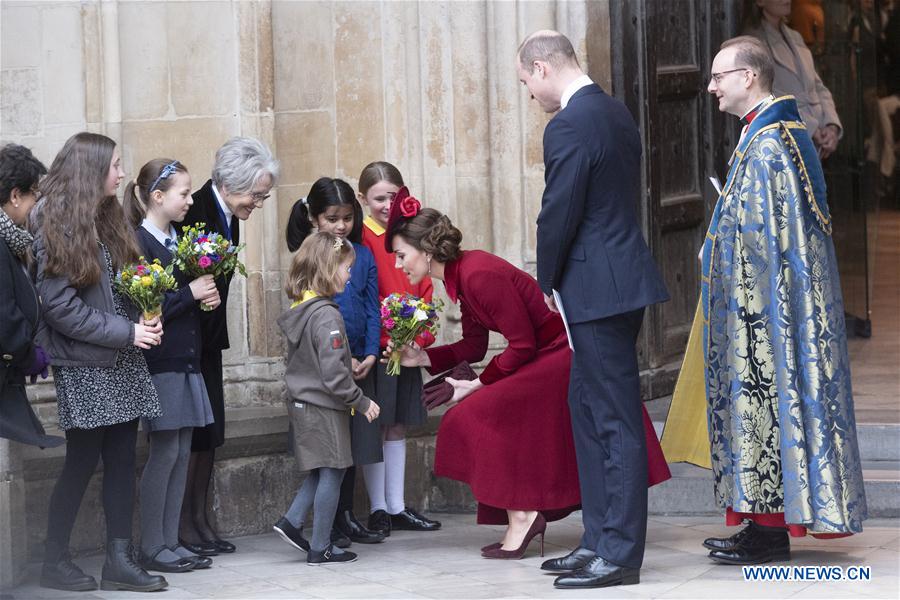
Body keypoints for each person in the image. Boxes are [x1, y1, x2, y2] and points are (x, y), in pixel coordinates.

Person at [385, 191, 670, 562]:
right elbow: (473, 346)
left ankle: (523, 513)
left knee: (473, 413)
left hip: (565, 353)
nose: (398, 264)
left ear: (425, 250)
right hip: (542, 354)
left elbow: (520, 346)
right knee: (479, 412)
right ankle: (522, 513)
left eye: (401, 254)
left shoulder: (478, 273)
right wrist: (422, 356)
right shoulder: (459, 277)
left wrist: (477, 384)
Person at [695, 35, 867, 564]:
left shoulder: (771, 144)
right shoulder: (768, 132)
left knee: (768, 405)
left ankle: (768, 534)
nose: (710, 87)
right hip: (763, 303)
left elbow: (766, 240)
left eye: (719, 77)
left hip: (767, 308)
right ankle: (759, 523)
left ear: (748, 78)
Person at [516, 31, 670, 589]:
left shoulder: (570, 123)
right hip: (614, 282)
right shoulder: (614, 111)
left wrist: (548, 278)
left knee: (614, 420)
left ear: (541, 67)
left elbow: (558, 210)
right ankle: (598, 541)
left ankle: (620, 554)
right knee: (588, 412)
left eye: (528, 82)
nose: (530, 94)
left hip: (597, 288)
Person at [31, 132, 167, 592]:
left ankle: (118, 561)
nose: (122, 173)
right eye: (114, 165)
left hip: (121, 357)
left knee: (124, 457)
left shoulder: (106, 217)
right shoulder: (57, 220)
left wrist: (146, 308)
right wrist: (127, 332)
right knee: (82, 461)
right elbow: (58, 307)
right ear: (90, 169)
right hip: (86, 365)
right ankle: (54, 560)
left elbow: (115, 286)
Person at [178, 137, 279, 556]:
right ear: (232, 183)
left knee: (212, 435)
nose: (257, 203)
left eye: (263, 195)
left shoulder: (229, 215)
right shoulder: (196, 212)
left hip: (210, 343)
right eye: (256, 194)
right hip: (188, 346)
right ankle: (183, 523)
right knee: (194, 436)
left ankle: (200, 519)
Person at [123, 158, 220, 573]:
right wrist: (190, 293)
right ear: (157, 197)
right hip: (161, 362)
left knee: (181, 451)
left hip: (186, 360)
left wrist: (205, 297)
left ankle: (170, 540)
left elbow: (182, 301)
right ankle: (152, 545)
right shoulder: (139, 243)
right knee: (164, 453)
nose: (189, 199)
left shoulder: (180, 239)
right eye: (183, 193)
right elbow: (147, 307)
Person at [281, 177, 385, 547]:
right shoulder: (324, 310)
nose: (350, 273)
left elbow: (372, 305)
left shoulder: (326, 291)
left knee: (331, 464)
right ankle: (322, 543)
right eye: (345, 269)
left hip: (333, 384)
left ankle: (295, 522)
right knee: (334, 467)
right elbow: (330, 361)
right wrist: (360, 396)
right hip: (330, 392)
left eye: (347, 218)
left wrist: (370, 352)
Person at [357, 162, 441, 535]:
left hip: (407, 346)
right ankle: (377, 508)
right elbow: (363, 293)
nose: (387, 204)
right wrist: (383, 338)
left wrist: (418, 336)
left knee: (398, 426)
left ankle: (397, 506)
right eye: (379, 198)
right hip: (378, 346)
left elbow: (424, 288)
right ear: (363, 199)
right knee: (377, 422)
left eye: (393, 196)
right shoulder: (360, 238)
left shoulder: (411, 236)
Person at [0, 144, 63, 450]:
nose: (36, 202)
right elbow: (5, 314)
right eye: (33, 194)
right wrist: (27, 354)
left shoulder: (9, 240)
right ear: (15, 196)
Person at [743, 0, 842, 159]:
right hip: (787, 139)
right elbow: (768, 94)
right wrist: (811, 128)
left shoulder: (795, 36)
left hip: (819, 139)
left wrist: (831, 126)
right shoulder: (752, 41)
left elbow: (818, 87)